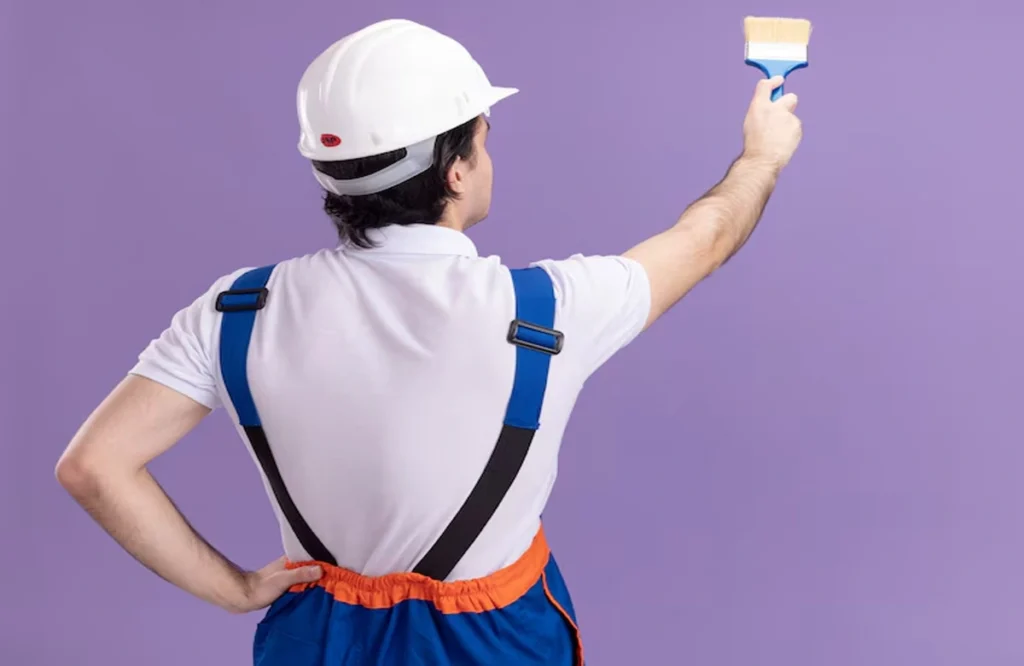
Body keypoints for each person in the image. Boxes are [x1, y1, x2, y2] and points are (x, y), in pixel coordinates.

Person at [55, 18, 802, 666]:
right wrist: (761, 158)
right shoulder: (551, 309)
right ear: (455, 170)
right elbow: (705, 238)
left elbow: (93, 467)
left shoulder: (237, 308)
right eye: (483, 138)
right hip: (495, 638)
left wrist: (235, 589)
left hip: (315, 634)